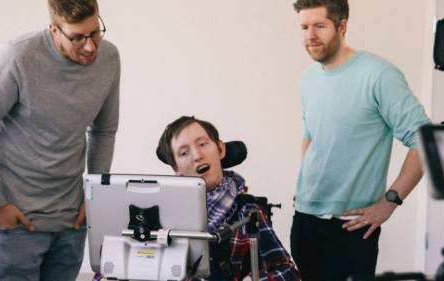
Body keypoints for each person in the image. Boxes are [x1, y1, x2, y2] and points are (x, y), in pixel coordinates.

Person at [0, 0, 120, 280]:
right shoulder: (17, 56)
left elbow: (104, 131)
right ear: (54, 29)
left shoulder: (109, 58)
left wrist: (94, 197)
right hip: (17, 222)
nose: (90, 46)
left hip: (73, 221)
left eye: (95, 32)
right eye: (78, 37)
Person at [291, 0, 431, 280]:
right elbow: (310, 134)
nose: (310, 36)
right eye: (304, 27)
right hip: (304, 221)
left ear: (341, 26)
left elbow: (425, 141)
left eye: (319, 26)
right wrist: (308, 182)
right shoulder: (308, 78)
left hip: (350, 228)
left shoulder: (379, 74)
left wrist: (390, 201)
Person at [93, 116, 300, 281]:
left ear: (220, 149)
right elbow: (109, 266)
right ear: (176, 169)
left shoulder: (247, 212)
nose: (196, 156)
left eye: (202, 144)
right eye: (184, 153)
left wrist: (255, 279)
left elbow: (287, 271)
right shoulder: (156, 210)